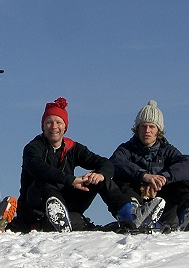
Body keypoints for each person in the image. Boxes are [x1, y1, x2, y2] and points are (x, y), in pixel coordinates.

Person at [9, 97, 165, 233]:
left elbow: (106, 163)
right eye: (49, 122)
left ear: (65, 126)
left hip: (67, 204)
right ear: (43, 126)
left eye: (58, 122)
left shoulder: (72, 147)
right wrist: (71, 180)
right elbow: (38, 168)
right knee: (45, 178)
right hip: (36, 207)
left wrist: (100, 174)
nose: (54, 126)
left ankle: (130, 214)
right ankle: (57, 216)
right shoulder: (32, 148)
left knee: (98, 179)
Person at [109, 100, 189, 232]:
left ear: (158, 130)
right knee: (117, 176)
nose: (147, 131)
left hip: (164, 206)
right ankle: (134, 213)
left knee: (183, 178)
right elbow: (114, 162)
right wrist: (144, 176)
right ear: (137, 129)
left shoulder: (167, 151)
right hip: (136, 198)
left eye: (151, 127)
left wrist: (163, 178)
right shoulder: (126, 149)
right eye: (143, 126)